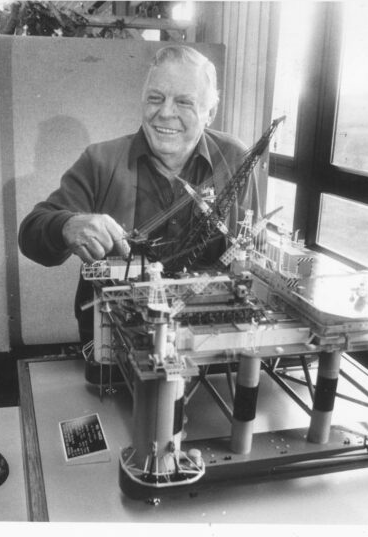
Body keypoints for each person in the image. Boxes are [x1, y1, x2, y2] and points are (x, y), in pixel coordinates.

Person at [18, 44, 258, 347]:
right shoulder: (100, 161)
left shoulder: (235, 159)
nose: (165, 112)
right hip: (115, 338)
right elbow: (30, 233)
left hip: (210, 339)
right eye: (155, 98)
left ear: (210, 113)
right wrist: (66, 226)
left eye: (184, 102)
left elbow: (250, 248)